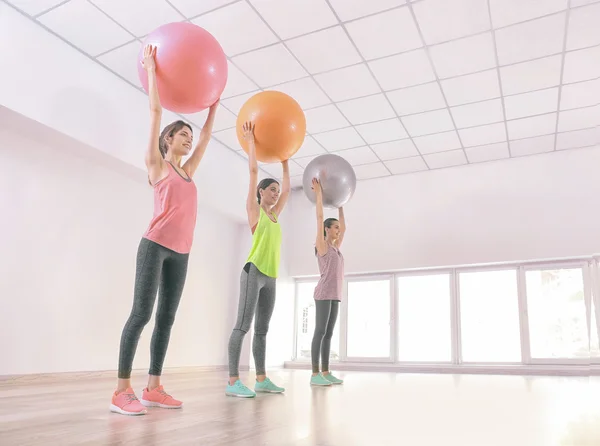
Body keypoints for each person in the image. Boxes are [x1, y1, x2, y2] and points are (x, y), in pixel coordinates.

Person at [110, 44, 219, 416]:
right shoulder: (157, 166)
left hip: (182, 252)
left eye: (189, 135)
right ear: (167, 139)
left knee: (167, 319)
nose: (189, 139)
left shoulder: (189, 171)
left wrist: (214, 104)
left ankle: (153, 386)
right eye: (182, 134)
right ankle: (121, 390)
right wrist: (151, 69)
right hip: (154, 246)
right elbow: (155, 111)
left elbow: (206, 139)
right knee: (141, 314)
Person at [226, 121, 290, 398]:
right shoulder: (255, 211)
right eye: (271, 190)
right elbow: (253, 172)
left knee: (262, 330)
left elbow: (288, 189)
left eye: (277, 190)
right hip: (253, 272)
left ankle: (262, 378)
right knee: (243, 326)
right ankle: (232, 381)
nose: (276, 193)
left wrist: (286, 160)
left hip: (272, 277)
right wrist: (251, 142)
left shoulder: (276, 214)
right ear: (261, 192)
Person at [309, 178, 346, 386]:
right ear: (326, 230)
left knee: (329, 333)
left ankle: (326, 371)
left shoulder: (336, 247)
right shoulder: (322, 246)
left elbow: (346, 229)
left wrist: (341, 207)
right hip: (323, 294)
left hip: (335, 295)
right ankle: (315, 375)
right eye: (335, 228)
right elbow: (320, 216)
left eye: (338, 228)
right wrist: (319, 193)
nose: (338, 231)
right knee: (320, 331)